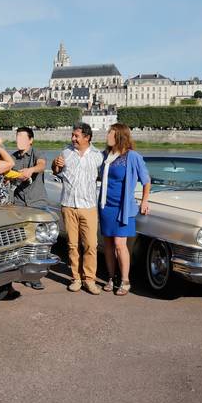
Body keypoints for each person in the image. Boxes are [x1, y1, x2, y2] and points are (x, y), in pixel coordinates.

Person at [98, 123, 151, 296]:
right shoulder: (105, 155)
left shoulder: (132, 156)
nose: (107, 136)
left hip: (123, 207)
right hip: (106, 206)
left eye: (110, 133)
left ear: (119, 136)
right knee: (107, 244)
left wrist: (144, 201)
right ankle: (111, 278)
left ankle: (125, 280)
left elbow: (146, 180)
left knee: (120, 245)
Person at [52, 122, 105, 294]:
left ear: (87, 137)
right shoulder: (65, 152)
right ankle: (76, 278)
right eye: (72, 135)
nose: (73, 138)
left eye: (76, 136)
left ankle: (89, 280)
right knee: (72, 245)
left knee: (91, 245)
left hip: (88, 206)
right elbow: (56, 171)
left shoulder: (98, 156)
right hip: (68, 205)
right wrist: (56, 165)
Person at [11, 126, 48, 289]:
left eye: (22, 137)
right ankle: (19, 273)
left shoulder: (37, 152)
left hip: (36, 203)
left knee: (38, 241)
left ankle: (35, 276)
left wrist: (31, 170)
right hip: (18, 203)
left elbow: (42, 165)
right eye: (17, 137)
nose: (19, 140)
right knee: (20, 241)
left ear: (30, 140)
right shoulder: (12, 157)